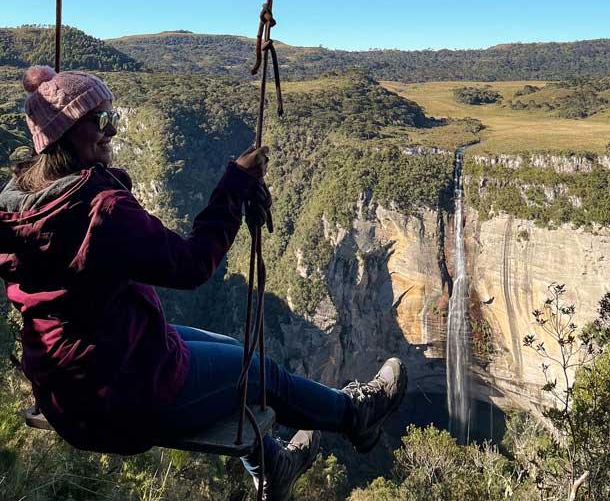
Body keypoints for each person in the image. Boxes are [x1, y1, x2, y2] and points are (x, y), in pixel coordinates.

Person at [0, 66, 408, 501]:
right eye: (100, 120)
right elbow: (192, 265)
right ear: (65, 133)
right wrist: (236, 182)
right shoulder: (99, 210)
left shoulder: (18, 202)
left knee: (231, 348)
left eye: (111, 116)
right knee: (259, 371)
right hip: (118, 401)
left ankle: (273, 464)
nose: (113, 128)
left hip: (73, 380)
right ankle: (355, 414)